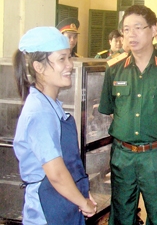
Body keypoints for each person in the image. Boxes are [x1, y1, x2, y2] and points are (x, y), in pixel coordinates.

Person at [98, 5, 157, 225]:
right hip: (122, 155)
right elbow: (109, 112)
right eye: (126, 29)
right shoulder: (114, 69)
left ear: (153, 30)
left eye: (137, 28)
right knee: (121, 216)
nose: (131, 35)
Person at [13, 27, 97, 224]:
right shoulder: (39, 112)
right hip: (48, 209)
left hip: (64, 202)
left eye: (69, 57)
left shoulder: (51, 105)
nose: (70, 65)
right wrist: (83, 203)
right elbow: (57, 174)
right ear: (39, 67)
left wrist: (81, 195)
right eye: (62, 59)